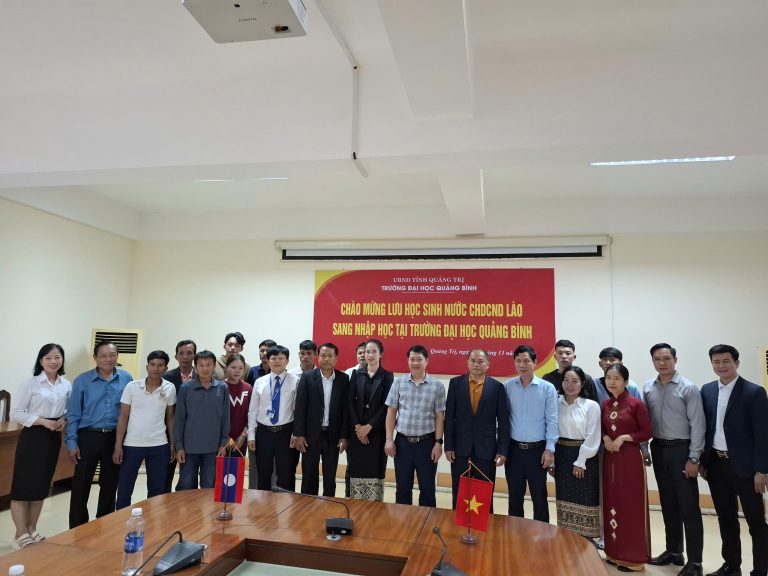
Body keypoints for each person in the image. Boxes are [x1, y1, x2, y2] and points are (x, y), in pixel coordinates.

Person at [700, 344, 768, 576]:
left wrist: (762, 470)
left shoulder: (754, 392)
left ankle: (760, 570)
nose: (721, 366)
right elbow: (707, 428)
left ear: (736, 363)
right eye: (716, 362)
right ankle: (731, 566)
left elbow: (763, 435)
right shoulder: (707, 390)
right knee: (726, 518)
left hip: (746, 469)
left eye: (726, 361)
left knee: (756, 522)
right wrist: (703, 461)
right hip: (717, 465)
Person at [644, 343, 705, 576]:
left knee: (689, 508)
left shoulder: (688, 388)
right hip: (659, 449)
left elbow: (698, 425)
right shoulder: (648, 387)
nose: (662, 363)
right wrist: (645, 448)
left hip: (682, 450)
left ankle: (696, 562)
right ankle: (674, 551)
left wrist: (694, 458)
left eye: (667, 358)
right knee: (668, 504)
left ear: (675, 360)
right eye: (657, 359)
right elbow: (645, 422)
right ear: (653, 361)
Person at [9, 344, 71, 549]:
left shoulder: (66, 384)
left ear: (62, 360)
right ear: (41, 361)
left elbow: (69, 410)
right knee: (23, 486)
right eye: (48, 358)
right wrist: (44, 422)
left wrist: (63, 419)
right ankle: (20, 533)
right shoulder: (30, 384)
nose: (53, 361)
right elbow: (15, 413)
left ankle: (32, 528)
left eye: (57, 357)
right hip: (33, 436)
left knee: (41, 485)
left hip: (53, 438)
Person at [66, 340, 133, 528]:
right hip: (88, 437)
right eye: (103, 355)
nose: (108, 359)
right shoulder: (82, 380)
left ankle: (104, 524)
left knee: (110, 484)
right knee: (81, 485)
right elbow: (73, 414)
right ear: (95, 358)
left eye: (112, 355)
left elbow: (130, 411)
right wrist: (72, 442)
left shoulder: (126, 378)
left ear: (117, 356)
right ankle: (78, 528)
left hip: (115, 438)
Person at [444, 348, 509, 511]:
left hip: (486, 450)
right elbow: (449, 417)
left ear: (488, 364)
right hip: (460, 449)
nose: (476, 364)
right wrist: (448, 446)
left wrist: (502, 450)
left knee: (484, 496)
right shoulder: (455, 384)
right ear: (467, 363)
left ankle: (485, 525)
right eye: (473, 361)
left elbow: (503, 422)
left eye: (480, 361)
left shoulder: (497, 387)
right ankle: (459, 524)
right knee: (460, 494)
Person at [602, 363, 652, 572]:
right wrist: (605, 437)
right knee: (612, 501)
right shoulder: (605, 404)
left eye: (616, 378)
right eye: (608, 378)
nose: (612, 382)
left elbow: (647, 431)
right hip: (610, 459)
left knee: (630, 505)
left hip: (630, 460)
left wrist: (624, 437)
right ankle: (614, 552)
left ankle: (633, 558)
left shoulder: (635, 404)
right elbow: (602, 429)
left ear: (626, 381)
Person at [384, 344, 446, 507]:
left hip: (427, 444)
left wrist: (438, 443)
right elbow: (391, 412)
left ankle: (427, 521)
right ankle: (404, 521)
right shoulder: (399, 383)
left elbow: (440, 416)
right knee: (402, 489)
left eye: (419, 359)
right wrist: (389, 439)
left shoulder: (437, 386)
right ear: (408, 361)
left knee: (427, 489)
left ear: (427, 361)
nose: (415, 363)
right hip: (402, 444)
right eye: (412, 359)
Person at [113, 351, 176, 509]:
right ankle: (120, 520)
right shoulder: (132, 387)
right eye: (152, 364)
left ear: (166, 368)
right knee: (124, 489)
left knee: (156, 490)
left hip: (159, 445)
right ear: (147, 367)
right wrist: (118, 446)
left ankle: (152, 521)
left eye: (160, 365)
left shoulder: (170, 388)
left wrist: (172, 444)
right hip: (132, 445)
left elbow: (170, 417)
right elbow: (123, 416)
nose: (155, 368)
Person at [504, 345, 558, 522]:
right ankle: (515, 532)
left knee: (539, 496)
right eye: (518, 361)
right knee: (514, 496)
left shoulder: (547, 388)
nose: (522, 365)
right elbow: (503, 420)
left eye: (526, 361)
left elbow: (552, 420)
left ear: (535, 363)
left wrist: (549, 450)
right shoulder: (508, 387)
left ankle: (541, 533)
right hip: (514, 451)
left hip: (538, 451)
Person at [549, 365, 601, 541]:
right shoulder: (555, 402)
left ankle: (586, 540)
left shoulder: (591, 406)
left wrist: (581, 461)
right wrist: (552, 460)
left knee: (585, 497)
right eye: (566, 380)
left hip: (584, 456)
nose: (569, 385)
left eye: (575, 381)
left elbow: (593, 436)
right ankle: (567, 538)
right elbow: (551, 430)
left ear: (582, 383)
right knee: (564, 497)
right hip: (561, 455)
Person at [293, 343, 350, 496]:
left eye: (330, 356)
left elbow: (346, 411)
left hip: (332, 435)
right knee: (309, 475)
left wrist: (344, 436)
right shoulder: (307, 377)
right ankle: (307, 505)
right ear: (318, 358)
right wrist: (299, 434)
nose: (326, 359)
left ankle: (328, 505)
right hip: (310, 436)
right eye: (323, 356)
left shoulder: (343, 379)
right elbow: (300, 407)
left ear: (336, 358)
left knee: (330, 477)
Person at [174, 350, 230, 489]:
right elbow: (179, 419)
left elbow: (225, 417)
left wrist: (223, 443)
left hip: (213, 449)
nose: (205, 368)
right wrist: (179, 446)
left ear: (214, 366)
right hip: (189, 449)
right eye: (201, 365)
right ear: (195, 367)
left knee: (209, 487)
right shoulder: (185, 388)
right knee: (186, 488)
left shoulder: (222, 387)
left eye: (208, 364)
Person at [247, 345, 300, 491]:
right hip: (263, 433)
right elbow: (253, 410)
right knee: (263, 472)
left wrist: (295, 433)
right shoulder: (260, 382)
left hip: (286, 433)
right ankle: (264, 503)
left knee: (286, 473)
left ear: (287, 361)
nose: (277, 361)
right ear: (268, 360)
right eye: (273, 358)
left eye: (281, 358)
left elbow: (298, 410)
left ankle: (285, 503)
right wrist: (251, 435)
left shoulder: (295, 381)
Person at [347, 339, 394, 501]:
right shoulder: (356, 374)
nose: (370, 355)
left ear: (381, 354)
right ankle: (356, 505)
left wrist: (369, 426)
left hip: (377, 431)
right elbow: (350, 402)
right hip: (357, 432)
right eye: (367, 351)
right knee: (357, 468)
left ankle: (375, 506)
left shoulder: (387, 376)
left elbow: (386, 405)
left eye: (374, 351)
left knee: (375, 468)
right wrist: (358, 427)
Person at [162, 339, 196, 492]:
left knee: (188, 477)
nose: (185, 356)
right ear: (176, 356)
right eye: (181, 353)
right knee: (165, 474)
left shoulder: (202, 376)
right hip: (169, 431)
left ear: (194, 355)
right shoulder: (167, 377)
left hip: (193, 433)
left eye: (189, 353)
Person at [223, 354, 251, 454]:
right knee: (221, 464)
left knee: (237, 464)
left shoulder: (248, 388)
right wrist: (225, 437)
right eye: (233, 367)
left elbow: (251, 414)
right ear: (226, 368)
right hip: (221, 439)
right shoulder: (220, 387)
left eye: (241, 368)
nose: (237, 371)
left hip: (241, 438)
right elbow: (215, 416)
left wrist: (243, 435)